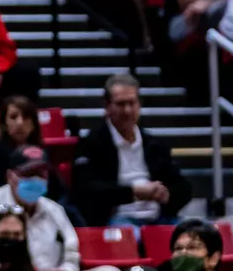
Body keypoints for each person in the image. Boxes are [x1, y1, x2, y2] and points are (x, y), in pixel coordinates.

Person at [0, 145, 117, 271]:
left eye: (41, 174)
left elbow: (72, 253)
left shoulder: (54, 210)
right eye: (28, 174)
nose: (35, 180)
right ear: (10, 176)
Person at [73, 74, 189, 227]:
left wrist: (167, 194)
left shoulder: (154, 144)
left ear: (139, 105)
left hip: (159, 217)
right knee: (129, 237)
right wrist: (134, 192)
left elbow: (184, 187)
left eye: (131, 103)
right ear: (107, 107)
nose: (127, 110)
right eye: (121, 104)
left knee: (197, 235)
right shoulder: (91, 143)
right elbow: (86, 191)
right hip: (119, 219)